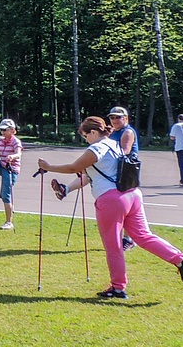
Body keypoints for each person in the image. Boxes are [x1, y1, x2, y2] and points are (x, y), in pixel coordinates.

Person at [37, 116, 183, 299]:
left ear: (93, 132)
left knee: (114, 245)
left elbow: (74, 168)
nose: (85, 139)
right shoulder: (115, 144)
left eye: (85, 135)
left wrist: (48, 166)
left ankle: (118, 287)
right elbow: (87, 171)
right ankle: (181, 260)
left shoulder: (96, 148)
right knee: (144, 236)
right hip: (132, 194)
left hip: (111, 199)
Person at [51, 106, 139, 250]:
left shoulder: (127, 132)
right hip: (112, 170)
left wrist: (94, 162)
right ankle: (66, 189)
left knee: (123, 209)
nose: (115, 120)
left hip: (125, 172)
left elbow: (123, 153)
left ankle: (128, 238)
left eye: (118, 117)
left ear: (126, 118)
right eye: (112, 117)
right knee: (88, 174)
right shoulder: (112, 134)